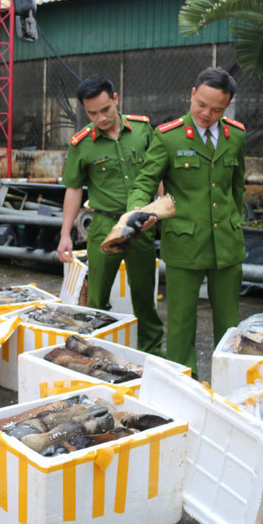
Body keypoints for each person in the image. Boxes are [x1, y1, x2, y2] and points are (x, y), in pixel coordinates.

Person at [127, 67, 246, 377]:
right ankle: (184, 388)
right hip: (184, 244)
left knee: (229, 328)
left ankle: (227, 388)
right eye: (201, 104)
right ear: (192, 93)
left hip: (227, 246)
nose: (206, 113)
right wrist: (138, 209)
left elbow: (236, 187)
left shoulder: (237, 136)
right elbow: (144, 182)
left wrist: (234, 219)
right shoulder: (168, 136)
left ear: (227, 106)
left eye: (217, 109)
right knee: (180, 325)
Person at [57, 75, 164, 354]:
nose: (101, 118)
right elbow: (73, 190)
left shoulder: (143, 130)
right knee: (97, 297)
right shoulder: (82, 144)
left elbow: (158, 171)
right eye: (92, 113)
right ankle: (93, 352)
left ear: (116, 99)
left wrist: (161, 206)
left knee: (144, 295)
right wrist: (64, 234)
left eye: (105, 109)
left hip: (141, 224)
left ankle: (153, 352)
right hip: (104, 224)